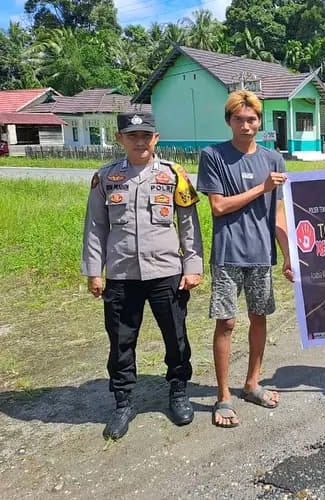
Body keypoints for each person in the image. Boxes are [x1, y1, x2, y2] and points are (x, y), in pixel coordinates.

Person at [81, 112, 203, 440]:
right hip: (122, 274)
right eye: (132, 135)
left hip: (166, 272)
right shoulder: (105, 178)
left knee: (176, 338)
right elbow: (95, 228)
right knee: (121, 342)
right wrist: (95, 272)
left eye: (145, 135)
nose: (139, 141)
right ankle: (123, 403)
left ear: (156, 138)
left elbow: (189, 224)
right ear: (120, 138)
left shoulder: (174, 175)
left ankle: (178, 392)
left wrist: (193, 267)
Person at [197, 90, 294, 428]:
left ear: (259, 121)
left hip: (261, 255)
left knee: (259, 318)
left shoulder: (273, 159)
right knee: (226, 322)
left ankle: (253, 383)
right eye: (239, 119)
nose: (246, 125)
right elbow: (218, 207)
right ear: (229, 121)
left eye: (251, 119)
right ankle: (223, 395)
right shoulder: (213, 156)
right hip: (227, 255)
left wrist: (286, 255)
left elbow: (279, 210)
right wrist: (260, 189)